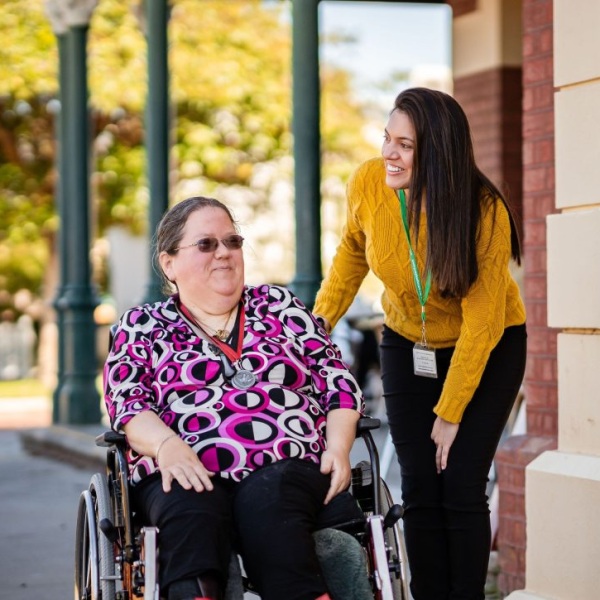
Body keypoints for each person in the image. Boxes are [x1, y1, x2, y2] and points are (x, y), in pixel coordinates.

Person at [313, 87, 527, 600]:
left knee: (460, 485)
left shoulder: (483, 211)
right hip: (408, 343)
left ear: (439, 152)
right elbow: (350, 256)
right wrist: (311, 329)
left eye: (405, 145)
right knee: (419, 486)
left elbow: (481, 322)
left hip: (489, 347)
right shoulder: (368, 181)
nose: (389, 152)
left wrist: (451, 412)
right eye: (387, 138)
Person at [103, 196, 365, 600]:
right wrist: (166, 445)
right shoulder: (141, 325)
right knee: (190, 507)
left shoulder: (278, 306)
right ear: (169, 263)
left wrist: (339, 445)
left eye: (232, 241)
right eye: (206, 244)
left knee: (270, 497)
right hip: (184, 465)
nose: (224, 253)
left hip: (286, 465)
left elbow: (337, 380)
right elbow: (127, 401)